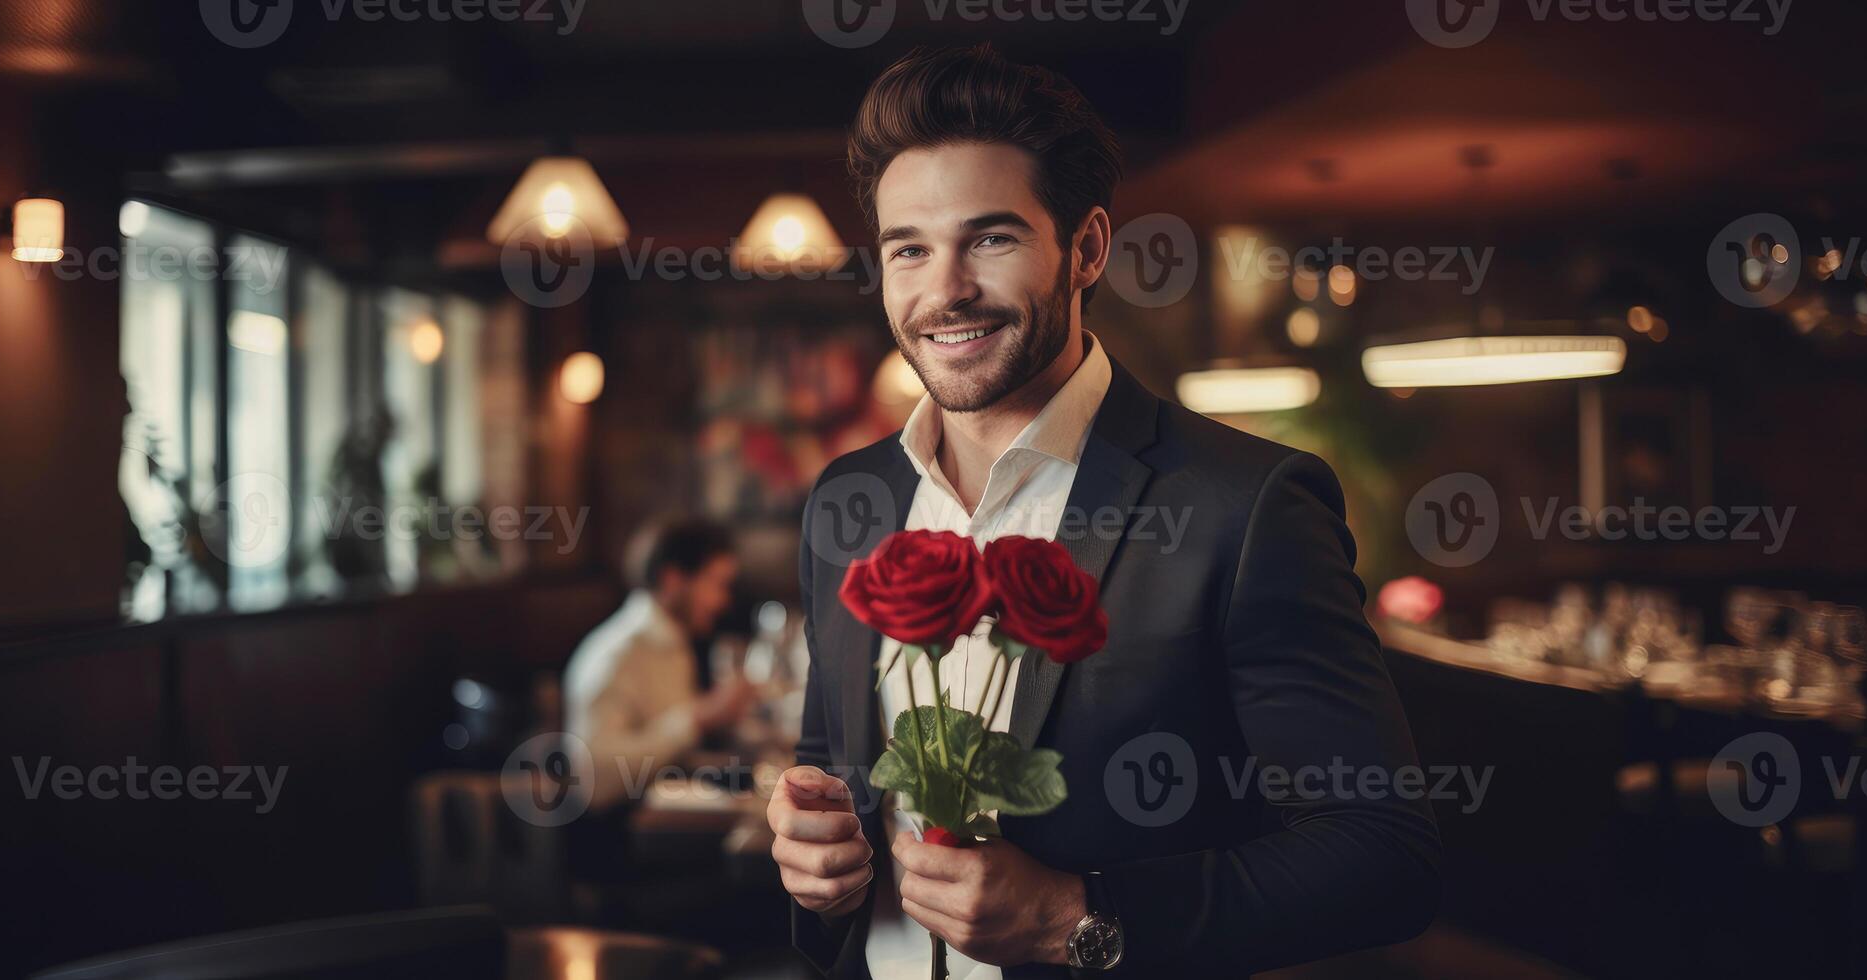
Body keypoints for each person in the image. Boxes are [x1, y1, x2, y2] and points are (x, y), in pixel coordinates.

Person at [766, 46, 1441, 979]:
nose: (944, 288)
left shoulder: (1243, 504)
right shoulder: (847, 498)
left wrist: (1079, 919)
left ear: (1085, 248)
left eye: (991, 239)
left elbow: (1384, 854)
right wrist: (815, 862)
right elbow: (829, 773)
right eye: (908, 248)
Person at [564, 518, 756, 812]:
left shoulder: (674, 641)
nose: (723, 601)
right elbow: (592, 777)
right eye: (716, 584)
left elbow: (672, 755)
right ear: (673, 580)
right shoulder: (619, 653)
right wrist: (698, 718)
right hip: (619, 836)